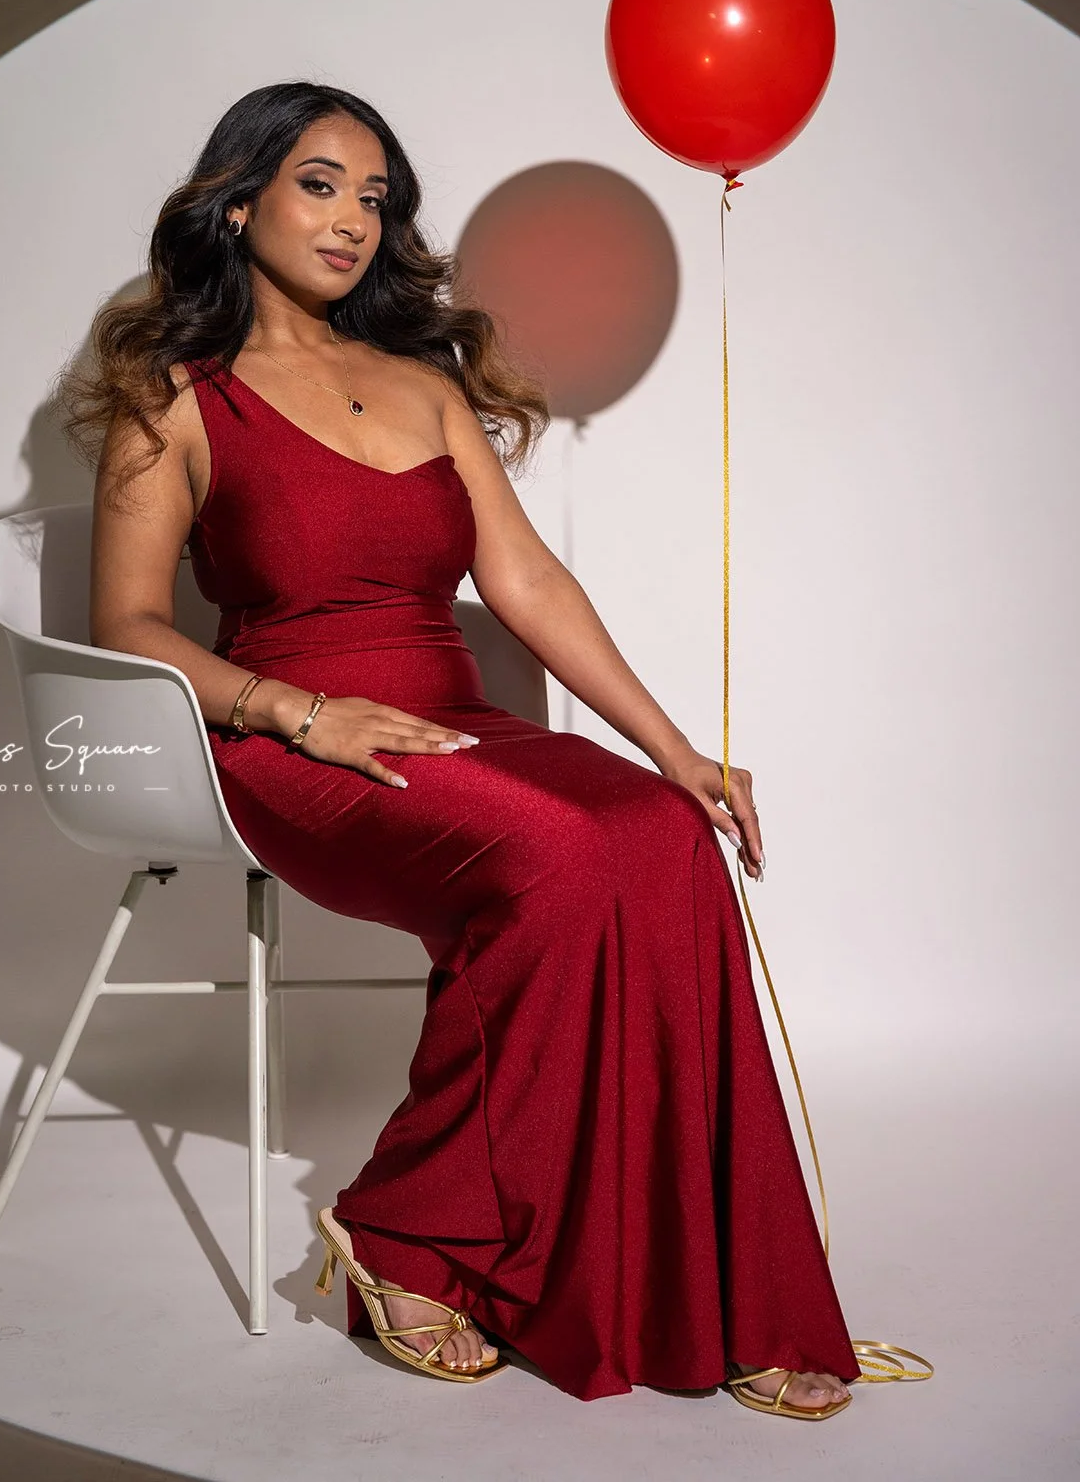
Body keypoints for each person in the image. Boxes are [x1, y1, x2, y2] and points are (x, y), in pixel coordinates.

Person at [74, 79, 859, 1414]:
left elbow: (530, 582)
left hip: (458, 730)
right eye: (320, 184)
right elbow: (129, 624)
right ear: (240, 200)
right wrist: (295, 711)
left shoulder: (423, 383)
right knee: (560, 857)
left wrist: (679, 751)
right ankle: (407, 1232)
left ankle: (721, 1288)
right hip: (293, 747)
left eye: (375, 198)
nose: (352, 219)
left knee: (667, 835)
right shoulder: (178, 397)